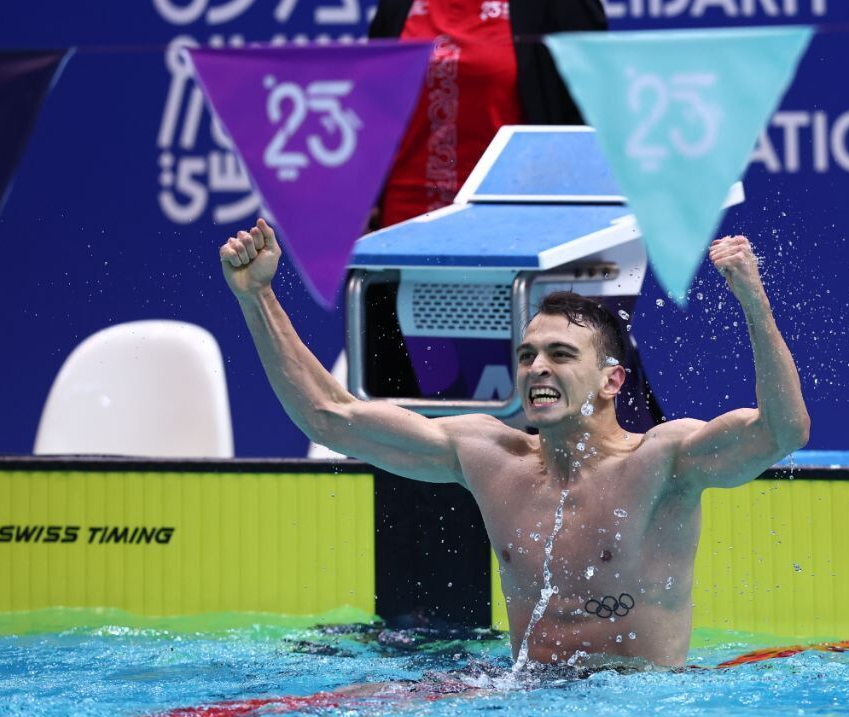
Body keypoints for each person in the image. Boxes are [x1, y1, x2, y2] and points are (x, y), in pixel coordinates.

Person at [221, 219, 809, 670]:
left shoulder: (664, 461)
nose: (536, 368)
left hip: (640, 707)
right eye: (527, 355)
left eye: (559, 355)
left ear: (611, 380)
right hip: (523, 700)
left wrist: (754, 303)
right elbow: (331, 418)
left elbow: (781, 433)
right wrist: (258, 298)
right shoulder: (489, 455)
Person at [368, 0, 607, 227]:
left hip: (512, 218)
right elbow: (375, 106)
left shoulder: (559, 6)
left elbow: (590, 112)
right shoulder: (398, 5)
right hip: (405, 215)